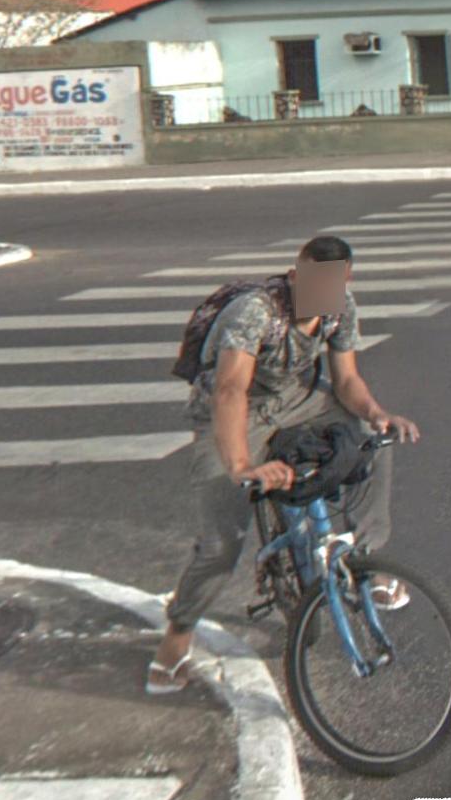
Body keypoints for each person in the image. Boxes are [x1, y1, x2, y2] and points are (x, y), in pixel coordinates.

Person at [147, 234, 419, 695]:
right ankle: (177, 636)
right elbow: (230, 390)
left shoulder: (341, 307)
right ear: (295, 276)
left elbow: (346, 379)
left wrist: (377, 414)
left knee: (374, 439)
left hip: (297, 400)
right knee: (220, 544)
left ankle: (363, 561)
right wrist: (240, 465)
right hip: (234, 412)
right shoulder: (255, 312)